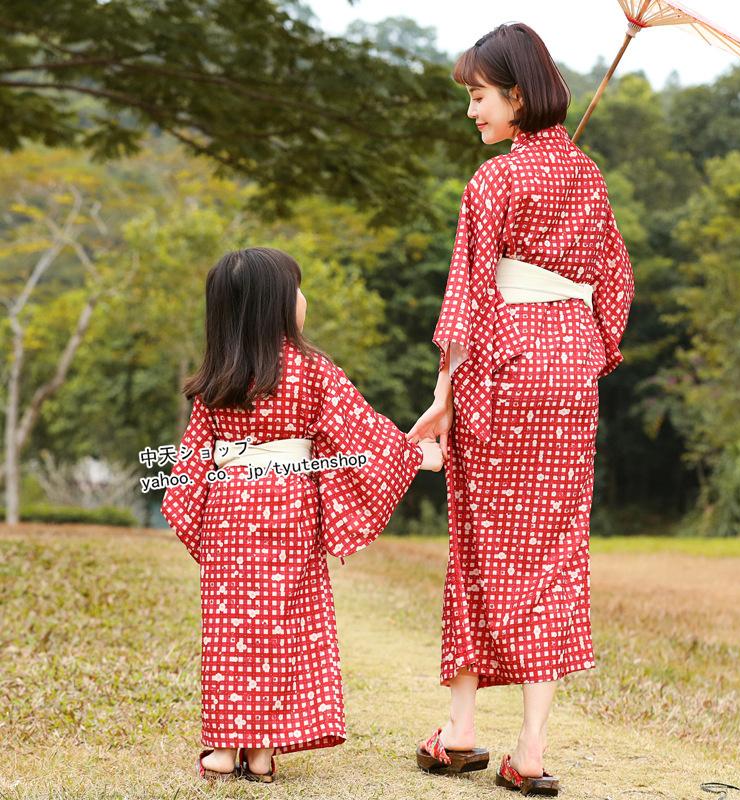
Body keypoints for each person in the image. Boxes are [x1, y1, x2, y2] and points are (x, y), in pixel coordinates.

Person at [407, 22, 635, 795]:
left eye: (478, 97)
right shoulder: (589, 176)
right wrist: (581, 353)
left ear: (516, 94)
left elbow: (467, 298)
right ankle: (531, 748)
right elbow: (617, 285)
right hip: (571, 377)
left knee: (481, 546)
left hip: (502, 371)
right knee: (555, 553)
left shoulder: (494, 183)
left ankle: (461, 730)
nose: (473, 112)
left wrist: (442, 396)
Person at [160, 247, 443, 783]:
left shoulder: (217, 377)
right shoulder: (313, 372)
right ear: (274, 306)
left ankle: (222, 751)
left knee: (229, 629)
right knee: (280, 627)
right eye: (296, 288)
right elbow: (360, 433)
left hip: (227, 508)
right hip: (290, 509)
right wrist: (415, 454)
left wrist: (189, 507)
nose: (303, 298)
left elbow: (193, 456)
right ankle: (263, 754)